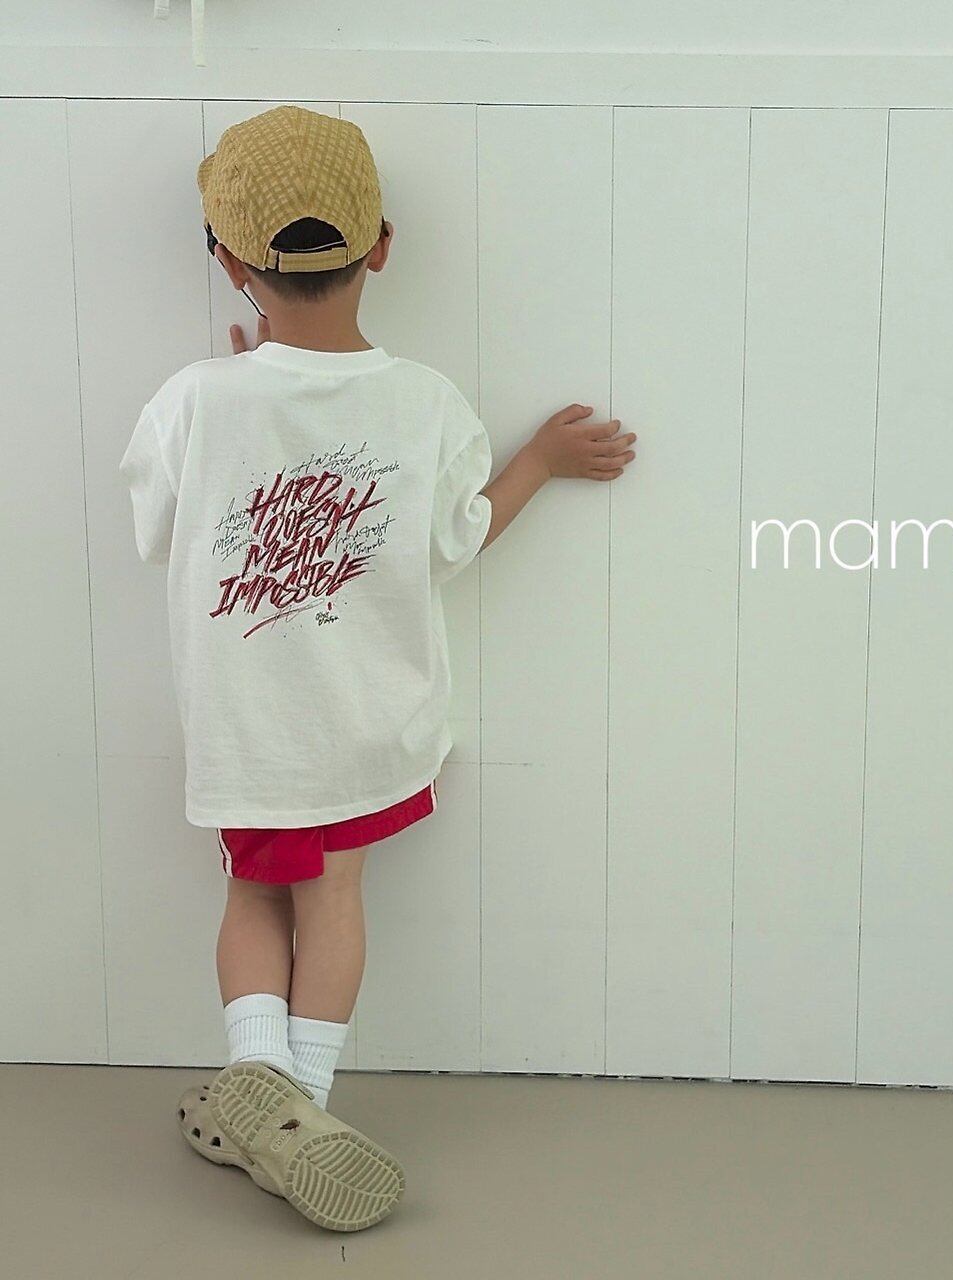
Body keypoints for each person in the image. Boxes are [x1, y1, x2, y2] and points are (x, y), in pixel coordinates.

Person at [117, 104, 636, 1231]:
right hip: (368, 718)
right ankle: (299, 1107)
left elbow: (156, 529)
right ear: (382, 246)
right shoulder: (425, 401)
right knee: (336, 896)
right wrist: (541, 458)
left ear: (228, 262)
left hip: (251, 721)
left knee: (252, 893)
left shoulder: (195, 399)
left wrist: (242, 406)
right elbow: (454, 541)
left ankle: (264, 1101)